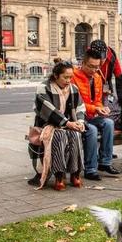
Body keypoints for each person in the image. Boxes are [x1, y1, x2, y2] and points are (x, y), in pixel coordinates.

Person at [30, 60, 86, 190]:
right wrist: (67, 123)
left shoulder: (73, 88)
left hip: (68, 124)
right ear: (56, 75)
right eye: (65, 77)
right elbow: (46, 109)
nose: (68, 80)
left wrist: (79, 122)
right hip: (48, 125)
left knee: (76, 135)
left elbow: (80, 107)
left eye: (71, 77)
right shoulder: (43, 87)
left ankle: (75, 173)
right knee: (60, 136)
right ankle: (59, 176)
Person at [72, 49, 120, 181]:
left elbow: (97, 100)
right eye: (91, 66)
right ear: (83, 63)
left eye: (97, 67)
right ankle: (90, 169)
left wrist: (101, 108)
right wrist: (95, 109)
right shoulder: (74, 77)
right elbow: (76, 103)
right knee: (91, 130)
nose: (94, 70)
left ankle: (105, 162)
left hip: (92, 115)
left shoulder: (98, 77)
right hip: (77, 117)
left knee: (109, 123)